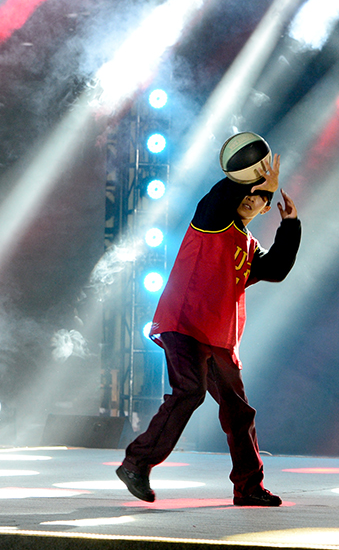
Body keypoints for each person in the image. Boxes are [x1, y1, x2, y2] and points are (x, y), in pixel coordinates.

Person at [116, 153, 300, 506]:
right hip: (185, 323)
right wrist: (255, 179)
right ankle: (136, 463)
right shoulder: (213, 219)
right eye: (249, 191)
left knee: (239, 411)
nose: (252, 197)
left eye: (261, 196)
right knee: (190, 391)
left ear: (266, 208)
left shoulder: (250, 248)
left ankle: (249, 487)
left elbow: (277, 269)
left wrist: (290, 225)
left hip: (217, 338)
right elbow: (222, 194)